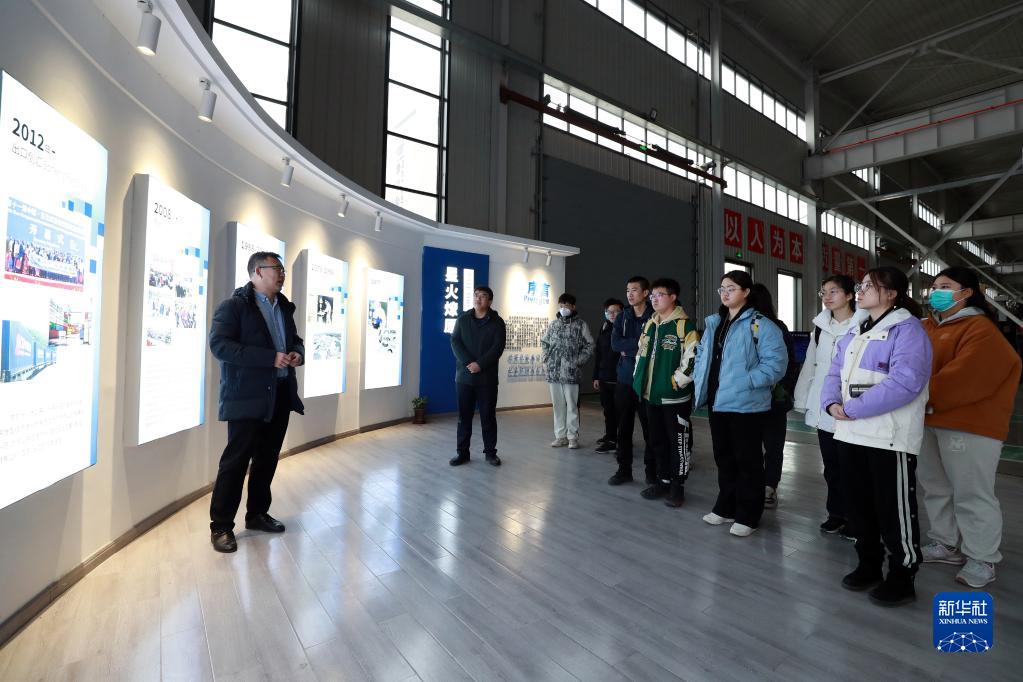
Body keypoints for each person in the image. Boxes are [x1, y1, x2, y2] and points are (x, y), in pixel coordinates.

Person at [820, 266, 932, 607]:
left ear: (892, 293)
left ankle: (902, 574)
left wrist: (853, 408)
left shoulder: (908, 330)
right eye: (862, 284)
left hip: (888, 437)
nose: (862, 289)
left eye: (870, 285)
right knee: (859, 507)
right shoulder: (855, 331)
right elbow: (834, 372)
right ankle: (868, 563)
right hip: (850, 433)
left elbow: (905, 382)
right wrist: (831, 403)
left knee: (893, 510)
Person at [918, 267, 1021, 588]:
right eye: (934, 285)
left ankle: (982, 557)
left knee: (972, 492)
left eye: (945, 286)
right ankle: (945, 543)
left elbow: (965, 378)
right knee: (935, 486)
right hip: (927, 419)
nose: (936, 291)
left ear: (966, 293)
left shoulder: (981, 329)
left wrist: (911, 394)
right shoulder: (927, 326)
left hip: (969, 425)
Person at [208, 252, 304, 554]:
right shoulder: (234, 307)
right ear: (257, 272)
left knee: (267, 459)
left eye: (282, 269)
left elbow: (294, 340)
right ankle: (221, 526)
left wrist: (296, 353)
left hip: (279, 395)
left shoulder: (283, 307)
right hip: (246, 397)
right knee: (235, 463)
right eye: (277, 268)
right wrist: (269, 358)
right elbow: (220, 345)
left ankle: (257, 514)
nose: (282, 274)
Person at [692, 271, 787, 537]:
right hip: (718, 401)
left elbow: (776, 364)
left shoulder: (761, 325)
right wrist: (699, 378)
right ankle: (726, 507)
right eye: (722, 288)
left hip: (746, 404)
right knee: (724, 458)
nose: (725, 293)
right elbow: (702, 356)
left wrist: (747, 381)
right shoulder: (715, 323)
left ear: (746, 292)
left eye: (731, 288)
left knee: (748, 461)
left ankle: (748, 514)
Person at [793, 275, 864, 537]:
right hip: (825, 407)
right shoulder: (820, 328)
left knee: (854, 468)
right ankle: (836, 513)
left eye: (834, 291)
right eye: (824, 292)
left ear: (849, 295)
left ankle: (858, 519)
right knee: (832, 466)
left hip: (853, 408)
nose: (827, 296)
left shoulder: (863, 324)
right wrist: (803, 400)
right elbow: (810, 365)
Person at [631, 278, 700, 507]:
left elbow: (693, 359)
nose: (654, 299)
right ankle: (663, 481)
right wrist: (637, 378)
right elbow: (640, 353)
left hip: (674, 397)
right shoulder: (650, 324)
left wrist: (675, 382)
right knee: (657, 442)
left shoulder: (684, 326)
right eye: (652, 295)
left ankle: (677, 487)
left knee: (678, 443)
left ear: (673, 297)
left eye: (660, 294)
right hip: (650, 396)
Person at [749, 283, 798, 510]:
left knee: (757, 444)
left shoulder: (768, 327)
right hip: (771, 398)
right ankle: (768, 487)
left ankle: (763, 486)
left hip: (763, 398)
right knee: (773, 446)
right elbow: (791, 363)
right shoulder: (777, 326)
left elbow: (788, 363)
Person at [449, 286, 507, 467]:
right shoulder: (463, 319)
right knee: (464, 417)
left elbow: (497, 348)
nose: (478, 299)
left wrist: (480, 364)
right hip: (464, 378)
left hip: (487, 379)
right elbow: (455, 341)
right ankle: (462, 453)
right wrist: (469, 363)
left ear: (490, 301)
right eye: (476, 295)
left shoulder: (497, 322)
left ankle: (490, 453)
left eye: (483, 296)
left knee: (488, 417)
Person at [608, 276, 655, 485]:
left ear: (645, 293)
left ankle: (652, 473)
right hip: (625, 379)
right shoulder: (622, 316)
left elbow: (653, 345)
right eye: (628, 290)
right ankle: (623, 470)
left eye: (634, 290)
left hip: (648, 380)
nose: (630, 294)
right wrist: (639, 345)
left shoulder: (654, 316)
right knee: (624, 428)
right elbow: (616, 344)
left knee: (650, 429)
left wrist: (632, 347)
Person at [541, 293, 595, 449]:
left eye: (566, 305)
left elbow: (590, 345)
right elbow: (544, 342)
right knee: (557, 406)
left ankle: (572, 437)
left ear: (573, 306)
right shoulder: (553, 324)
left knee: (572, 406)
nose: (563, 308)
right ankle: (560, 436)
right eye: (561, 305)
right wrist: (546, 359)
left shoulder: (581, 325)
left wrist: (578, 361)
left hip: (571, 373)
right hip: (554, 372)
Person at [593, 298, 624, 453]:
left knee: (619, 412)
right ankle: (610, 435)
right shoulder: (604, 328)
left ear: (622, 312)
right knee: (608, 410)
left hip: (619, 378)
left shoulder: (625, 329)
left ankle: (617, 440)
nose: (612, 314)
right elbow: (599, 354)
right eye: (609, 312)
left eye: (616, 311)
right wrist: (596, 376)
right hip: (604, 377)